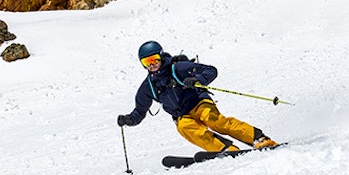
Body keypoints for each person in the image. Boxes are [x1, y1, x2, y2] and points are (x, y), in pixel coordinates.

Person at [117, 40, 278, 153]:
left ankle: (259, 139)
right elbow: (140, 110)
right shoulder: (148, 86)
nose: (151, 65)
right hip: (182, 114)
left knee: (215, 122)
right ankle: (226, 149)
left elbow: (210, 70)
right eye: (146, 62)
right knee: (185, 128)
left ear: (161, 56)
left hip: (199, 102)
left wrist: (197, 80)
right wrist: (129, 120)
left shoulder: (178, 68)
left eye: (154, 59)